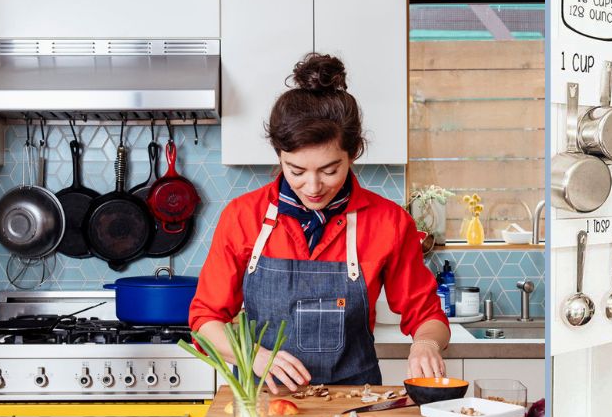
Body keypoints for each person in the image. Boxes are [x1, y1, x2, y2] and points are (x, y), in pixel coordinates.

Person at [189, 53, 449, 392]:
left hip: (354, 402)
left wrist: (426, 343)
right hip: (263, 403)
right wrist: (253, 356)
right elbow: (205, 320)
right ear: (279, 155)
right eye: (296, 171)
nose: (313, 187)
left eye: (329, 170)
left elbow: (428, 314)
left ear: (353, 152)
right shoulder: (243, 217)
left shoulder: (388, 222)